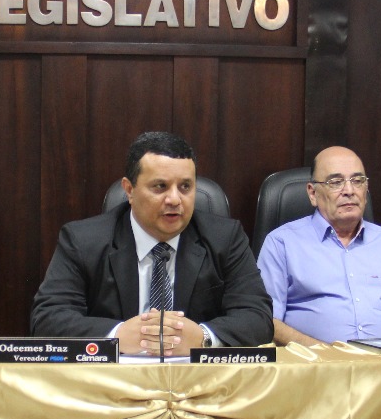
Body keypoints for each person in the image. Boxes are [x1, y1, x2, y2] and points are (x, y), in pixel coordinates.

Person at [30, 132, 272, 355]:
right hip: (112, 384)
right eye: (160, 186)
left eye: (185, 187)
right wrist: (117, 336)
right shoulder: (83, 240)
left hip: (196, 383)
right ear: (129, 190)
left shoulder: (225, 238)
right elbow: (48, 318)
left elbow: (258, 317)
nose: (175, 199)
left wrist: (203, 337)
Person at [257, 146, 381, 345]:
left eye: (357, 181)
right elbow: (267, 321)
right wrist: (326, 355)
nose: (349, 191)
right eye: (336, 182)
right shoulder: (282, 243)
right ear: (312, 193)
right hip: (314, 368)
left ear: (366, 189)